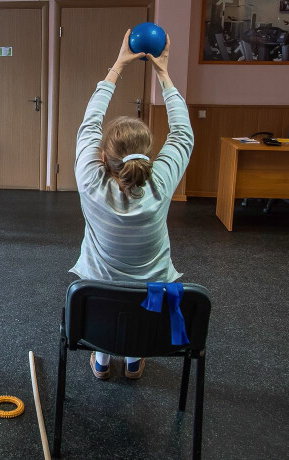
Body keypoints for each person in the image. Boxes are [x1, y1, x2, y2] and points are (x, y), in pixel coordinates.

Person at [70, 31, 193, 380]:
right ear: (150, 154)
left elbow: (89, 123)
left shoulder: (90, 180)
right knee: (147, 294)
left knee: (104, 299)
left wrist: (118, 66)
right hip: (151, 304)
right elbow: (183, 134)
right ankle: (136, 356)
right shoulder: (161, 181)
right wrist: (164, 74)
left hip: (98, 302)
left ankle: (103, 356)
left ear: (103, 156)